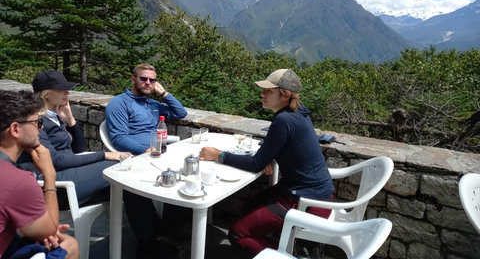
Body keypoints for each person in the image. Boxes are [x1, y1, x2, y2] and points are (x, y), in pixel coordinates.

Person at [17, 70, 178, 259]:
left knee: (129, 186)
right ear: (46, 93)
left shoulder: (55, 115)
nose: (67, 93)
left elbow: (78, 149)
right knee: (122, 169)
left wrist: (70, 121)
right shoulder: (35, 121)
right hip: (53, 186)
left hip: (68, 175)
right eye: (62, 90)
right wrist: (105, 155)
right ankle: (151, 240)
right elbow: (56, 160)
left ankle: (150, 239)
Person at [199, 69, 335, 255]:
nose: (262, 94)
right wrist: (266, 154)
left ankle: (289, 255)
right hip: (313, 192)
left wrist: (218, 154)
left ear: (285, 94)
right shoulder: (299, 112)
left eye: (269, 90)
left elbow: (255, 164)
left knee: (238, 233)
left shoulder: (284, 120)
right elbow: (282, 144)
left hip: (308, 203)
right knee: (247, 207)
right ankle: (281, 242)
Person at [0, 90, 79, 259]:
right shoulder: (18, 181)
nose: (40, 129)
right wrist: (49, 173)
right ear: (15, 129)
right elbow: (49, 231)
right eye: (37, 122)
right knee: (69, 244)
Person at [105, 63, 187, 155]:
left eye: (152, 80)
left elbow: (181, 113)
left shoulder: (152, 104)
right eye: (143, 79)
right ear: (133, 79)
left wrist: (163, 93)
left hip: (158, 151)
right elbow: (119, 139)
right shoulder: (119, 103)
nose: (148, 82)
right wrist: (147, 151)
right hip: (139, 155)